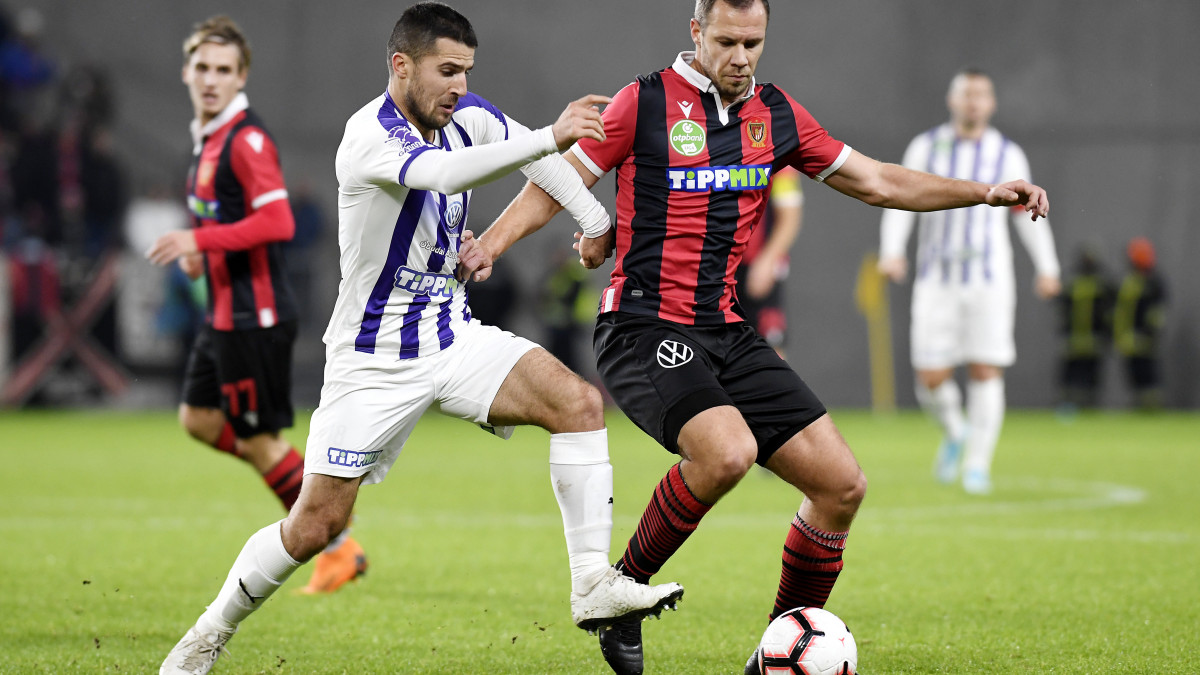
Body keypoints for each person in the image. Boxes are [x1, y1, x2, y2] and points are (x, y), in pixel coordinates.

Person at [456, 1, 1051, 672]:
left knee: (840, 485)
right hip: (642, 325)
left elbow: (877, 179)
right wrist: (493, 245)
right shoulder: (642, 103)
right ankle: (614, 591)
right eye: (728, 40)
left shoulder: (777, 114)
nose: (741, 56)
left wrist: (984, 192)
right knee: (727, 451)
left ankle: (777, 649)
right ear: (696, 32)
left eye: (754, 42)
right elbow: (559, 182)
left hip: (727, 329)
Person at [159, 4, 683, 673]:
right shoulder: (367, 137)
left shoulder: (465, 115)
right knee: (315, 525)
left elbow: (535, 157)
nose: (459, 85)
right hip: (371, 361)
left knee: (577, 403)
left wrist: (593, 219)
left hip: (448, 334)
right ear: (400, 66)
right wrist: (553, 133)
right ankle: (202, 640)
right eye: (446, 71)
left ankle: (590, 585)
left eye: (466, 71)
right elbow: (446, 174)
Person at [145, 16, 366, 598]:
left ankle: (338, 543)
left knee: (258, 441)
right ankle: (325, 515)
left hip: (253, 316)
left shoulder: (244, 138)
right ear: (186, 72)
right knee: (198, 419)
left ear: (241, 75)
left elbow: (277, 220)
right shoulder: (207, 139)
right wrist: (202, 253)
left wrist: (199, 240)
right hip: (221, 313)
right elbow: (224, 220)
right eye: (203, 68)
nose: (211, 79)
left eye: (224, 69)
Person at [878, 67, 1061, 496]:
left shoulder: (1007, 154)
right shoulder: (927, 147)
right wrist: (892, 251)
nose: (974, 102)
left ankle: (978, 465)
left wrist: (1047, 267)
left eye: (981, 95)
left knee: (985, 368)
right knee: (930, 377)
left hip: (989, 280)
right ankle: (955, 430)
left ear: (991, 103)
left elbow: (1028, 212)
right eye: (967, 94)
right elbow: (899, 196)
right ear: (953, 100)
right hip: (936, 279)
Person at [735, 165, 803, 358]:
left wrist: (767, 261)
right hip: (717, 266)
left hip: (757, 266)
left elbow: (791, 218)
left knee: (772, 349)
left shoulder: (780, 160)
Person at [1057, 248, 1114, 413]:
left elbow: (1110, 312)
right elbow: (1063, 310)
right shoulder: (1073, 285)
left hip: (1093, 340)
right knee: (1071, 374)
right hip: (1074, 339)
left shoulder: (1103, 285)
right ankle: (1068, 406)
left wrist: (1107, 335)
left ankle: (1089, 406)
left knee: (1091, 375)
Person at [1114, 237, 1167, 410]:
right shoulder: (1129, 281)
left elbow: (1156, 314)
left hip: (1144, 340)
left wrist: (1147, 334)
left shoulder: (1153, 282)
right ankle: (1140, 404)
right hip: (1128, 339)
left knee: (1147, 373)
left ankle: (1151, 406)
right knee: (1134, 374)